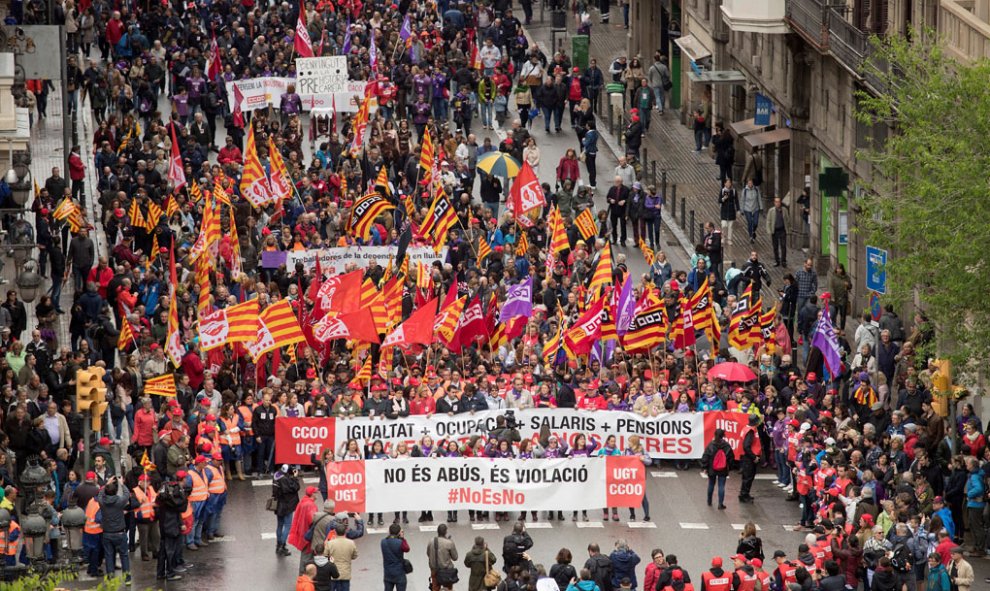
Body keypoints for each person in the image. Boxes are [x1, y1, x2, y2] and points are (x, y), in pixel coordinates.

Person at [97, 475, 132, 585]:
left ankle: (111, 579)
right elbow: (127, 494)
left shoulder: (102, 503)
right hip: (120, 533)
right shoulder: (120, 502)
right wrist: (122, 484)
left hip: (107, 533)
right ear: (116, 492)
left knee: (109, 556)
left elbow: (99, 494)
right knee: (124, 556)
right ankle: (127, 579)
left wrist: (106, 484)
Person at [702, 428, 735, 509]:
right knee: (721, 486)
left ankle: (709, 501)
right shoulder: (726, 446)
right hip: (723, 468)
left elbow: (705, 456)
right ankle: (720, 504)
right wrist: (729, 467)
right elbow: (731, 457)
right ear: (723, 435)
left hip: (712, 468)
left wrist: (705, 467)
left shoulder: (711, 445)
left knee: (711, 484)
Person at [273, 464, 301, 557]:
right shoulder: (286, 480)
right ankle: (282, 546)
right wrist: (295, 478)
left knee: (279, 525)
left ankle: (278, 545)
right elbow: (295, 487)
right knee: (287, 526)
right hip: (287, 505)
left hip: (279, 504)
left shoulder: (276, 475)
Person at [326, 522, 359, 591]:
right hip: (345, 573)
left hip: (333, 573)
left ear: (335, 531)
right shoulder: (351, 543)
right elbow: (355, 555)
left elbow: (325, 555)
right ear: (345, 531)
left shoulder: (330, 543)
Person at [428, 522, 459, 590]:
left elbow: (428, 553)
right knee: (448, 588)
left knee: (435, 587)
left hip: (434, 569)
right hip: (446, 570)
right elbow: (455, 557)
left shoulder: (431, 541)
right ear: (445, 532)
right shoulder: (449, 543)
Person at [739, 414, 762, 503]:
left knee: (746, 477)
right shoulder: (751, 431)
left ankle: (744, 493)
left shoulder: (746, 428)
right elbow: (746, 446)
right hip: (749, 458)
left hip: (746, 457)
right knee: (748, 477)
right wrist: (754, 457)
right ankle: (744, 495)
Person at [381, 523, 410, 591]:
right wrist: (402, 538)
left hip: (388, 573)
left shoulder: (383, 542)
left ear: (389, 531)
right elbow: (407, 549)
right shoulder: (400, 543)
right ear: (399, 532)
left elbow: (388, 539)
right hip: (399, 573)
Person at [765, 197, 788, 267]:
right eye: (776, 202)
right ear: (774, 203)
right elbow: (768, 221)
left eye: (779, 202)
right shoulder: (771, 211)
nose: (777, 203)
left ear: (780, 203)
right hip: (774, 231)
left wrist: (788, 229)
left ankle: (783, 260)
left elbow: (787, 220)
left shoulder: (784, 210)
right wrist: (769, 230)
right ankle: (776, 260)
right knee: (775, 246)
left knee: (783, 246)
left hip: (782, 230)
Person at [718, 180, 739, 247]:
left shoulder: (734, 191)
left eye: (729, 183)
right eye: (727, 183)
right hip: (724, 210)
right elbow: (719, 200)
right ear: (725, 183)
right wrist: (723, 198)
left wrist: (738, 209)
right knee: (724, 225)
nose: (728, 184)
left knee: (730, 226)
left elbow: (736, 201)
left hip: (731, 211)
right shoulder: (722, 190)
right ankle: (723, 237)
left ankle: (729, 239)